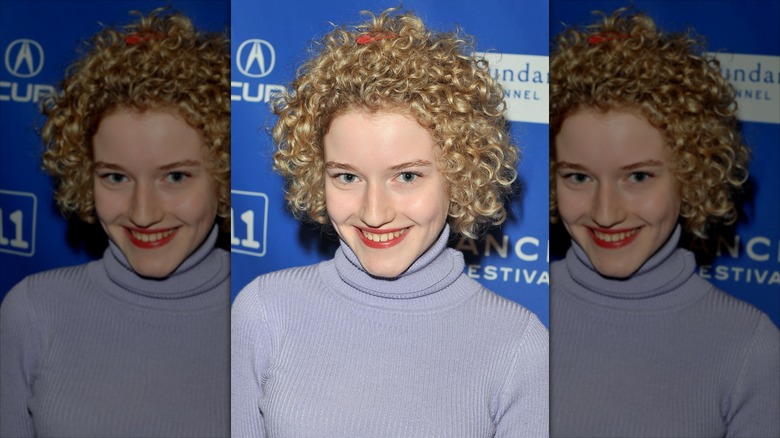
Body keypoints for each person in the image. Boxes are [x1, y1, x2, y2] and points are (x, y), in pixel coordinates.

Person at [231, 8, 548, 437]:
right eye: (347, 176)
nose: (374, 213)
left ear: (460, 174)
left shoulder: (519, 346)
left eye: (407, 176)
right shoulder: (263, 313)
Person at [549, 8, 780, 438]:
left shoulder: (748, 346)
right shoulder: (520, 321)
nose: (605, 213)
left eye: (638, 176)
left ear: (692, 173)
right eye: (578, 177)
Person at [0, 10, 230, 437]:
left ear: (224, 172)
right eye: (116, 177)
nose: (143, 213)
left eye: (175, 176)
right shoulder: (33, 312)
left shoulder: (264, 318)